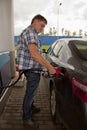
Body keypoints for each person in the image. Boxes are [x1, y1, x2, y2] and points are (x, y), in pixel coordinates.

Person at [17, 14, 56, 128]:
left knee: (31, 92)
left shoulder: (32, 33)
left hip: (33, 69)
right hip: (32, 70)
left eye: (44, 27)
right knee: (30, 93)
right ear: (35, 21)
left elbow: (35, 53)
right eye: (42, 25)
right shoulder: (30, 32)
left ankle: (31, 108)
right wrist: (49, 67)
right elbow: (34, 54)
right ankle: (27, 119)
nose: (42, 28)